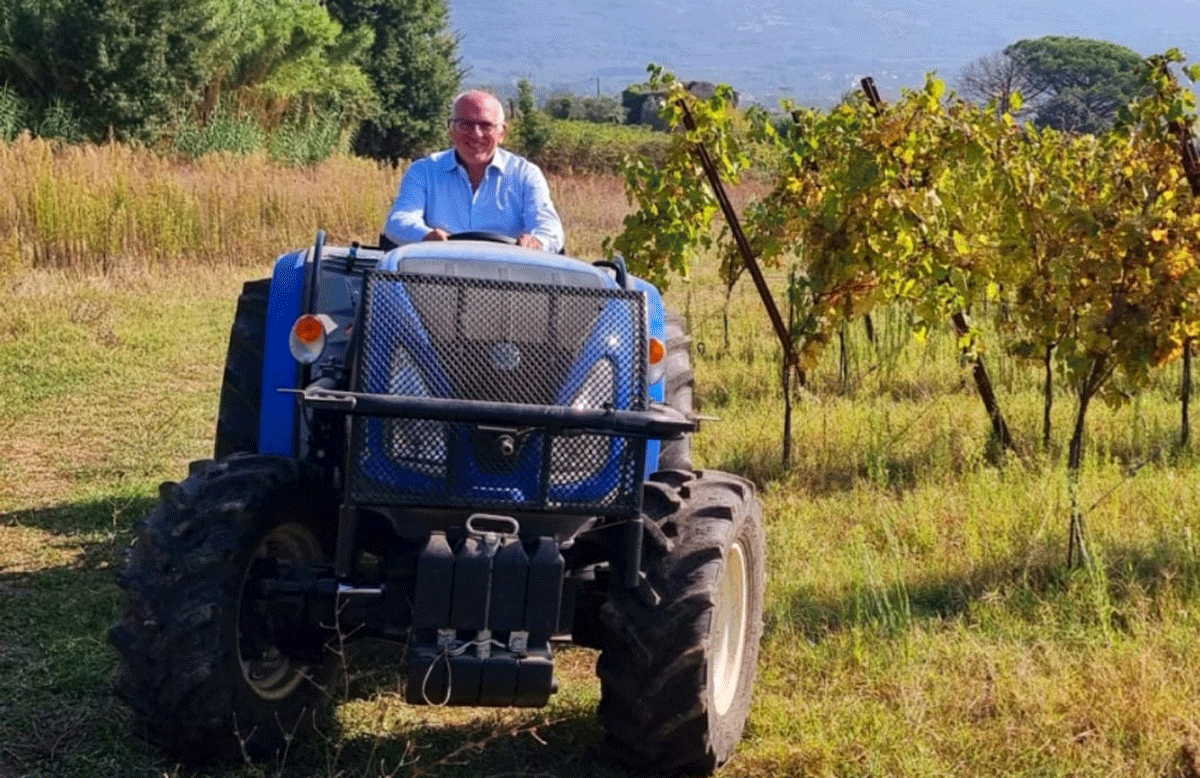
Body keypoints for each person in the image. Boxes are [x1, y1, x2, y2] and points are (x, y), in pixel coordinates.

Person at [383, 90, 565, 252]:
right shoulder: (423, 171)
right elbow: (398, 220)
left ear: (502, 133)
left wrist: (536, 243)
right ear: (450, 129)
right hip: (438, 277)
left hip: (507, 280)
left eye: (486, 126)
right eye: (465, 125)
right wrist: (426, 236)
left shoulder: (526, 175)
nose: (476, 134)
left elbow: (550, 228)